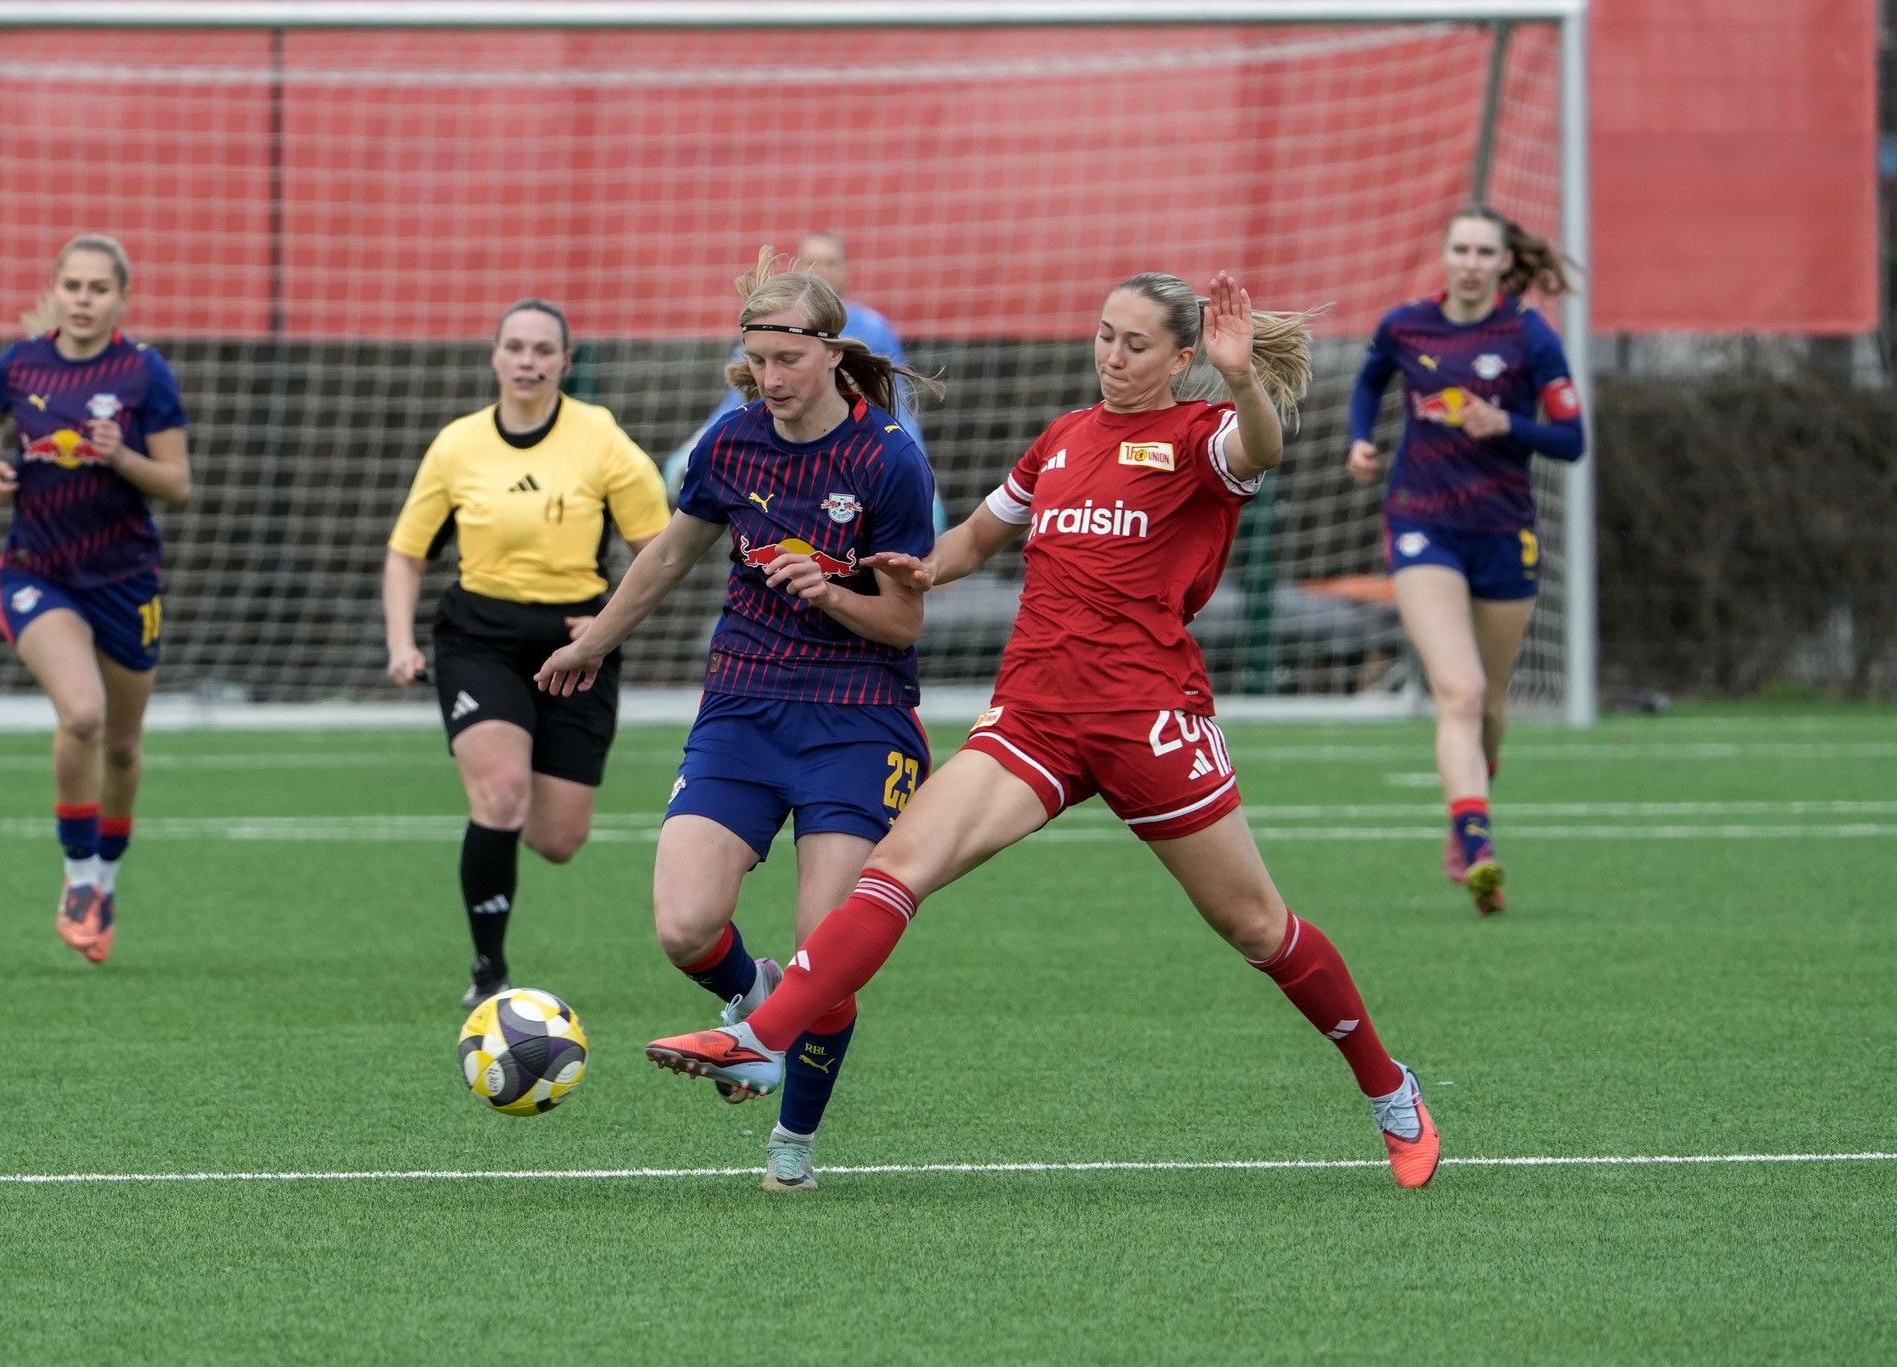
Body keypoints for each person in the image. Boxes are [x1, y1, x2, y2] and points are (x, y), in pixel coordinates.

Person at [603, 270, 1442, 1190]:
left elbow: (1263, 448)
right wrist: (901, 569)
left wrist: (1241, 378)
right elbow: (968, 541)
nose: (1111, 355)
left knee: (1254, 925)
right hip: (1034, 714)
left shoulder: (1201, 437)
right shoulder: (1063, 440)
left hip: (1146, 718)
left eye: (1135, 344)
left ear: (1180, 358)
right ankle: (762, 1038)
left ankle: (1388, 1087)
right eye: (1105, 334)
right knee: (896, 867)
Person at [534, 247, 940, 1192]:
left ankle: (791, 1144)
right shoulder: (732, 442)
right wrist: (596, 640)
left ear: (833, 352)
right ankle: (758, 1009)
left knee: (826, 954)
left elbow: (903, 621)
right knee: (685, 923)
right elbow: (670, 556)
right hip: (744, 705)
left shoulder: (890, 460)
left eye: (787, 360)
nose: (770, 379)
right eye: (756, 361)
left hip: (857, 717)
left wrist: (829, 589)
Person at [384, 298, 671, 1007]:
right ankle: (489, 972)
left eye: (543, 350)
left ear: (565, 363)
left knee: (558, 838)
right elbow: (406, 553)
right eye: (515, 347)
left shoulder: (600, 437)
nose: (527, 361)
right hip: (478, 638)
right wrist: (400, 642)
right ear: (495, 356)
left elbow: (662, 551)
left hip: (577, 646)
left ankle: (516, 832)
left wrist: (607, 624)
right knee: (501, 791)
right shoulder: (457, 445)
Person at [1343, 205, 1586, 915]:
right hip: (1421, 524)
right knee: (1461, 691)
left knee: (1493, 701)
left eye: (1485, 252)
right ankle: (1477, 847)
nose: (1472, 263)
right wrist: (1361, 439)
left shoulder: (1529, 335)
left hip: (1503, 531)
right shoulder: (1405, 325)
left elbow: (1572, 440)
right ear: (1445, 256)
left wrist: (1505, 422)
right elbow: (1369, 383)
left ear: (1504, 263)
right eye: (1462, 249)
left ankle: (1473, 801)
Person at [0, 234, 192, 965]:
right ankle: (76, 875)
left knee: (122, 747)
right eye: (73, 286)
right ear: (55, 291)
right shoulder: (20, 363)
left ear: (121, 298)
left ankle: (107, 883)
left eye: (99, 288)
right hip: (38, 573)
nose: (84, 300)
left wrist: (120, 455)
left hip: (125, 581)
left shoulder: (144, 374)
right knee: (83, 713)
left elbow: (178, 483)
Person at [663, 231, 942, 530]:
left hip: (852, 458)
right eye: (812, 262)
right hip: (780, 454)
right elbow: (737, 397)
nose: (821, 270)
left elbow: (896, 401)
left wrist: (914, 458)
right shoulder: (767, 326)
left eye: (830, 262)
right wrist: (699, 442)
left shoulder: (874, 328)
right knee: (679, 471)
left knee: (927, 512)